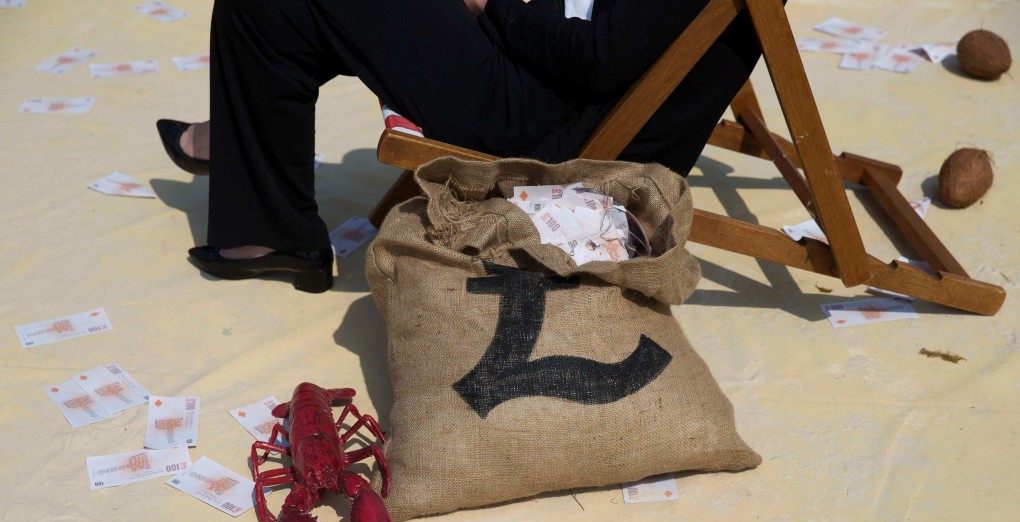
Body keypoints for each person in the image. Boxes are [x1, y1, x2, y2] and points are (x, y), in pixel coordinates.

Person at [158, 0, 766, 293]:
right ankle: (260, 201)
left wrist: (494, 8)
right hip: (537, 75)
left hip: (544, 121)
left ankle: (254, 190)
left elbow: (601, 60)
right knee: (272, 10)